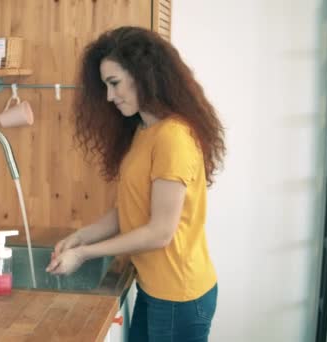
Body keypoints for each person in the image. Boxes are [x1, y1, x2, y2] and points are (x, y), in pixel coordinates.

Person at [45, 26, 226, 341]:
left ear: (144, 75)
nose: (109, 96)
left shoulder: (173, 137)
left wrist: (86, 253)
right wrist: (79, 237)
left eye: (114, 84)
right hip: (157, 287)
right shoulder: (144, 130)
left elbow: (160, 232)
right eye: (105, 86)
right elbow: (129, 210)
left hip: (179, 295)